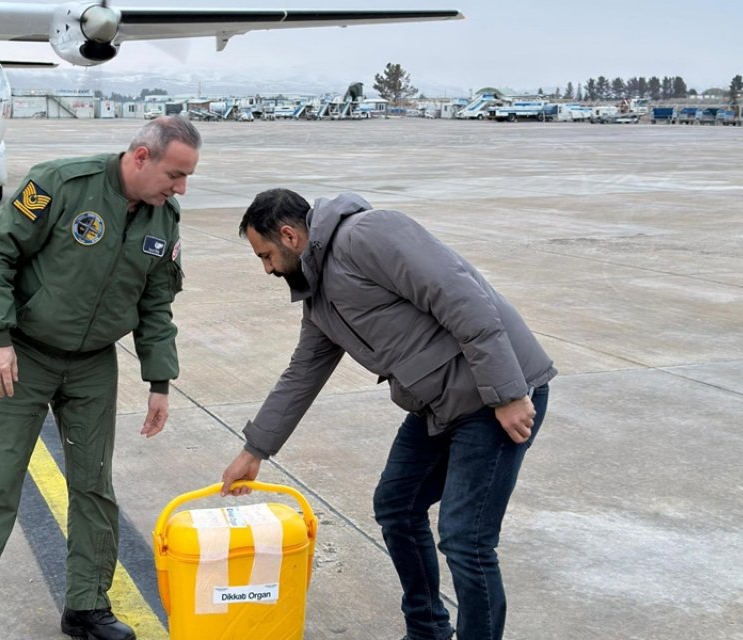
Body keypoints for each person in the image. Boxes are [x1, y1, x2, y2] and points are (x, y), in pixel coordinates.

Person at [220, 189, 556, 640]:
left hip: (494, 394)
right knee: (397, 506)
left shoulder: (369, 234)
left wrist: (509, 393)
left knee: (465, 538)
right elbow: (303, 373)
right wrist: (255, 449)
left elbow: (460, 295)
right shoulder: (319, 297)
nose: (266, 269)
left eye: (265, 255)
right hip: (440, 404)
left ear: (289, 235)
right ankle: (428, 629)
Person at [0, 116, 201, 640]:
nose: (180, 188)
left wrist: (160, 381)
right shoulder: (59, 184)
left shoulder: (162, 218)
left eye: (185, 178)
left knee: (94, 488)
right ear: (140, 158)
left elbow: (156, 305)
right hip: (24, 358)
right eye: (175, 175)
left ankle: (86, 606)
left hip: (92, 366)